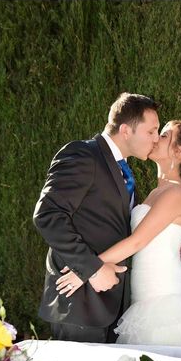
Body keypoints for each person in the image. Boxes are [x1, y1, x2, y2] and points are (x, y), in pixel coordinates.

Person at [55, 120, 181, 348]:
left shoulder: (177, 193)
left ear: (178, 150)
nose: (155, 138)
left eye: (164, 136)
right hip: (143, 298)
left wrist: (86, 269)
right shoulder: (156, 192)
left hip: (166, 300)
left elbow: (138, 241)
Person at [33, 93, 161, 343]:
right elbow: (48, 215)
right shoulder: (83, 154)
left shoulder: (123, 169)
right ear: (126, 130)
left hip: (114, 301)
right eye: (152, 131)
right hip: (79, 303)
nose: (156, 139)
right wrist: (92, 270)